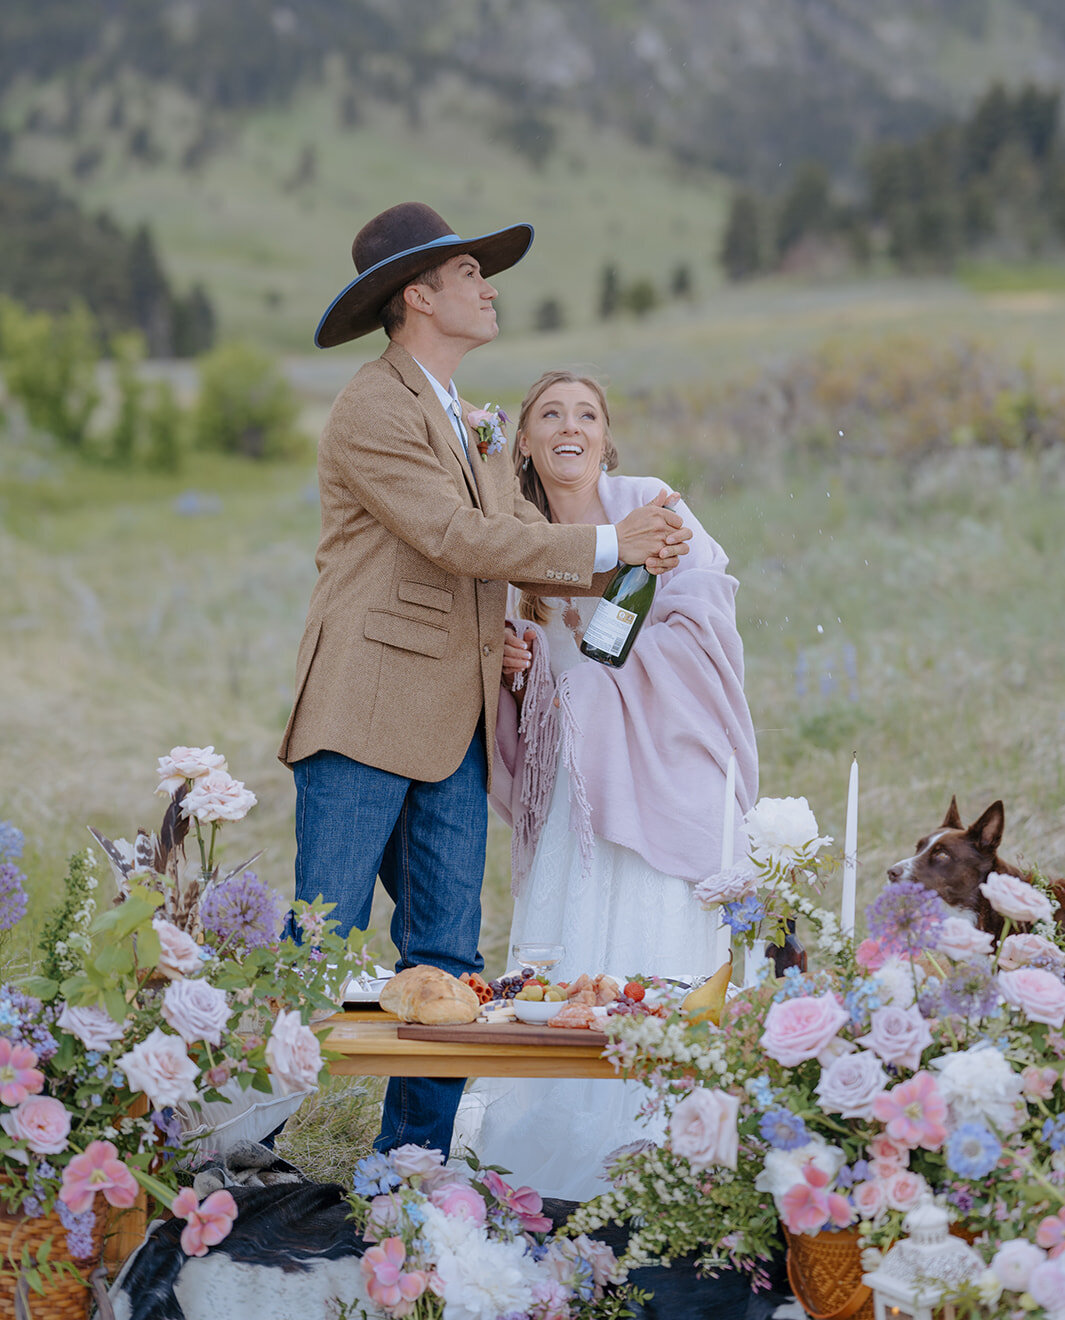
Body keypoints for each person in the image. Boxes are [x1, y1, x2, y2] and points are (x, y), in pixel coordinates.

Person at [278, 203, 692, 1159]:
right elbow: (457, 540)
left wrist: (639, 561)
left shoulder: (467, 418)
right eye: (470, 274)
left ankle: (411, 1170)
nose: (487, 287)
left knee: (449, 961)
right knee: (314, 947)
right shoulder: (373, 404)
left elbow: (510, 558)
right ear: (419, 296)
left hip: (456, 722)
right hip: (365, 711)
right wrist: (608, 542)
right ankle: (224, 1143)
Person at [467, 370, 758, 1202]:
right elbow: (501, 642)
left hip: (664, 749)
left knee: (654, 915)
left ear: (605, 437)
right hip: (571, 775)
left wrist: (604, 690)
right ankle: (568, 1130)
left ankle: (670, 1133)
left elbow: (705, 619)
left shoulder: (651, 508)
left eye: (586, 415)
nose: (570, 426)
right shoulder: (509, 537)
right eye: (549, 414)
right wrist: (512, 667)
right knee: (575, 940)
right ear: (522, 442)